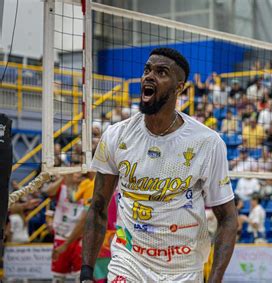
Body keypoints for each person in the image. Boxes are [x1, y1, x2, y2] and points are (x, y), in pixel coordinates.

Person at [80, 48, 237, 283]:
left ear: (179, 87)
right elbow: (99, 207)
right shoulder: (116, 135)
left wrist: (214, 279)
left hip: (181, 269)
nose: (149, 76)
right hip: (129, 260)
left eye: (161, 72)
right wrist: (86, 272)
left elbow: (228, 219)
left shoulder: (207, 143)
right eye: (147, 70)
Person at [45, 172, 85, 282]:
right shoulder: (62, 188)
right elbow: (48, 192)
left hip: (79, 238)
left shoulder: (88, 189)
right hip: (62, 237)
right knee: (58, 277)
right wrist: (62, 176)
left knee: (80, 275)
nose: (78, 174)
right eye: (75, 173)